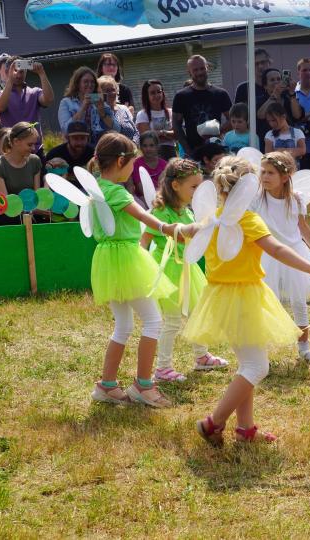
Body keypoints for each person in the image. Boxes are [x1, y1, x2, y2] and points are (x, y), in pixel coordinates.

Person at [190, 156, 310, 446]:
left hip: (222, 297)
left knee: (248, 362)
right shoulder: (247, 219)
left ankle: (245, 430)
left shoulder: (212, 217)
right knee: (257, 367)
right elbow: (276, 248)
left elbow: (189, 236)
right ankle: (214, 422)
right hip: (243, 297)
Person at [85, 133, 186, 408]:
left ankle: (107, 385)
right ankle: (143, 385)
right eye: (132, 162)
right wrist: (168, 228)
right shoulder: (116, 191)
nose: (133, 168)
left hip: (108, 258)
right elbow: (142, 215)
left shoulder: (96, 188)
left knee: (124, 325)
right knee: (154, 321)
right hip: (127, 259)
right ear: (121, 161)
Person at [140, 158, 227, 382]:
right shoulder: (159, 212)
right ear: (176, 186)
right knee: (171, 320)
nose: (197, 192)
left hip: (187, 270)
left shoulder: (186, 211)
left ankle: (201, 356)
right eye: (194, 187)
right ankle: (163, 368)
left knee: (197, 312)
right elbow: (144, 241)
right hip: (168, 271)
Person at [251, 152, 310, 365]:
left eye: (270, 173)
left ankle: (304, 349)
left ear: (285, 176)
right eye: (262, 172)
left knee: (298, 302)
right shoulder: (257, 200)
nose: (264, 176)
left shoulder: (296, 199)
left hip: (294, 254)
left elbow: (302, 227)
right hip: (267, 255)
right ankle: (258, 352)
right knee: (265, 303)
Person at [0, 56, 54, 155]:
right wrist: (10, 81)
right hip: (11, 149)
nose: (18, 75)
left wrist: (42, 73)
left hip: (35, 148)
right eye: (15, 71)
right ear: (7, 73)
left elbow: (48, 100)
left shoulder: (34, 92)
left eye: (22, 71)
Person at [172, 55, 232, 157]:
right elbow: (176, 125)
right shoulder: (181, 96)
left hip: (216, 151)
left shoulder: (220, 94)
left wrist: (219, 131)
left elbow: (232, 118)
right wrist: (188, 150)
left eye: (202, 68)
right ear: (189, 72)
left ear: (207, 68)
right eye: (195, 70)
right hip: (193, 151)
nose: (199, 72)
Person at [0, 122, 42, 225]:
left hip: (30, 214)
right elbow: (7, 205)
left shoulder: (35, 161)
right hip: (8, 219)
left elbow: (36, 196)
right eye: (30, 144)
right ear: (16, 141)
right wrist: (34, 210)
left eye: (34, 144)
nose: (34, 148)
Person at [58, 67, 115, 143]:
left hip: (97, 145)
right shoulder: (66, 102)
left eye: (92, 82)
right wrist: (83, 108)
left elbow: (116, 128)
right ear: (77, 84)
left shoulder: (98, 100)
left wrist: (102, 113)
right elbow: (66, 129)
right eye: (86, 82)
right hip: (76, 146)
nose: (90, 85)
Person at [255, 68, 304, 142]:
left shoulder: (287, 98)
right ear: (265, 86)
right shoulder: (260, 100)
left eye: (278, 79)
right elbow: (260, 115)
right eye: (272, 80)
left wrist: (292, 93)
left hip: (289, 141)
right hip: (268, 142)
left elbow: (297, 115)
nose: (276, 82)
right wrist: (275, 95)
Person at [44, 120, 94, 189]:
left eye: (83, 138)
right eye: (75, 138)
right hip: (61, 192)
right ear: (67, 138)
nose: (79, 143)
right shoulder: (54, 154)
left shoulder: (93, 153)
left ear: (88, 138)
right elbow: (47, 179)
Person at [136, 79, 177, 159]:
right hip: (152, 156)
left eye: (159, 91)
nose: (157, 95)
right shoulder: (142, 114)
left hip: (171, 153)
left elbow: (176, 135)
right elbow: (147, 138)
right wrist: (167, 134)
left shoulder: (171, 112)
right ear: (146, 95)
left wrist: (159, 133)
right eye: (152, 93)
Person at [96, 76, 138, 144]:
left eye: (113, 90)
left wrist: (133, 144)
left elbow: (136, 132)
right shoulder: (95, 112)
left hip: (130, 151)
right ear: (99, 93)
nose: (111, 93)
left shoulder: (124, 109)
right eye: (107, 91)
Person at [294, 58, 310, 169]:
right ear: (298, 72)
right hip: (297, 149)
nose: (308, 73)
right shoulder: (292, 93)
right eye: (304, 70)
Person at [131, 132, 166, 208]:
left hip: (162, 197)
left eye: (151, 145)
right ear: (140, 147)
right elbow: (142, 190)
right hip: (143, 199)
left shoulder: (164, 164)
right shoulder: (136, 164)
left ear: (157, 147)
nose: (148, 149)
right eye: (145, 146)